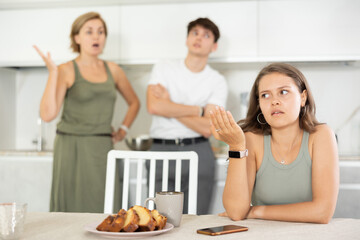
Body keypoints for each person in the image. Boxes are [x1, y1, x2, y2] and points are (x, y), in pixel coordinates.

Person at [33, 12, 140, 213]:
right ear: (77, 38)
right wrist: (53, 73)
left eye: (101, 32)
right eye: (89, 31)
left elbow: (134, 102)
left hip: (102, 147)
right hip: (70, 147)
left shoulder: (114, 70)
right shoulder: (65, 69)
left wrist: (123, 130)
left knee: (107, 207)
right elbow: (48, 114)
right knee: (71, 209)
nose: (96, 36)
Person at [210, 63, 339, 223]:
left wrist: (256, 211)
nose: (274, 101)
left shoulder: (321, 136)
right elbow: (236, 212)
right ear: (259, 104)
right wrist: (236, 146)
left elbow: (322, 212)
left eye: (283, 92)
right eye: (265, 95)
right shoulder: (251, 139)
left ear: (303, 97)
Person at [146, 17, 228, 215]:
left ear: (214, 46)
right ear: (187, 39)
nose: (199, 37)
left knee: (197, 219)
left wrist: (169, 105)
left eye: (206, 35)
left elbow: (208, 128)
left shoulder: (217, 81)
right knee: (158, 221)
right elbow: (154, 106)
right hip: (160, 149)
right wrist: (198, 110)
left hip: (199, 150)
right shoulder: (164, 67)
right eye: (195, 33)